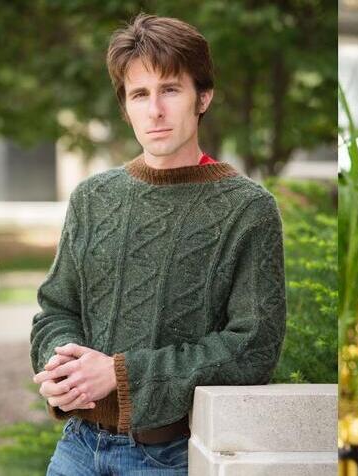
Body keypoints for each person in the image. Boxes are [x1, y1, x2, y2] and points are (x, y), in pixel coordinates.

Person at [30, 14, 286, 474]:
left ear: (202, 97)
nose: (155, 111)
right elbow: (56, 310)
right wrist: (61, 365)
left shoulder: (248, 209)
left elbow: (254, 346)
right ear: (126, 107)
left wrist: (121, 374)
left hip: (164, 457)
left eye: (170, 89)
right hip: (76, 448)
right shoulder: (92, 198)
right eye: (139, 94)